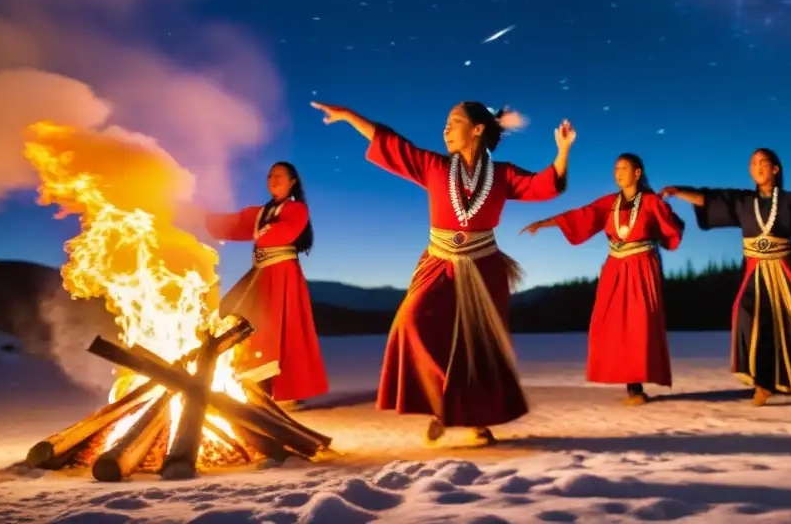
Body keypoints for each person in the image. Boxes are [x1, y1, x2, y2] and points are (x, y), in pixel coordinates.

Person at [311, 100, 574, 445]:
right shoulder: (433, 166)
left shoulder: (503, 174)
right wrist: (349, 117)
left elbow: (545, 185)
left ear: (478, 130)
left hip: (483, 265)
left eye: (454, 122)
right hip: (439, 260)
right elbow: (391, 143)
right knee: (412, 321)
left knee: (477, 346)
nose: (445, 129)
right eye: (446, 123)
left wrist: (563, 151)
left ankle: (477, 421)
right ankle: (443, 404)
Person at [659, 149, 791, 407]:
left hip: (785, 270)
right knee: (750, 321)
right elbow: (710, 199)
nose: (757, 167)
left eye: (763, 162)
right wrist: (679, 191)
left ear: (776, 169)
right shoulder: (744, 201)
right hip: (755, 272)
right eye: (753, 163)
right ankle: (763, 384)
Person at [520, 153, 683, 405]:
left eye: (624, 168)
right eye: (616, 168)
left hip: (641, 265)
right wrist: (545, 223)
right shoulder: (611, 202)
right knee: (608, 322)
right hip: (615, 267)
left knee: (639, 324)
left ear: (637, 173)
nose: (618, 173)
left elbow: (672, 227)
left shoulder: (650, 201)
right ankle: (627, 380)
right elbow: (582, 215)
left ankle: (636, 387)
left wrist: (663, 213)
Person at [202, 162, 329, 409]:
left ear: (292, 182)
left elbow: (284, 232)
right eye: (270, 175)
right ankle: (249, 381)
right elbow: (235, 223)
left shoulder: (297, 209)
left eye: (279, 176)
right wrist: (202, 218)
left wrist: (263, 231)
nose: (273, 179)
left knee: (280, 329)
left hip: (282, 276)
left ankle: (285, 392)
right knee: (232, 313)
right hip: (261, 272)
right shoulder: (260, 212)